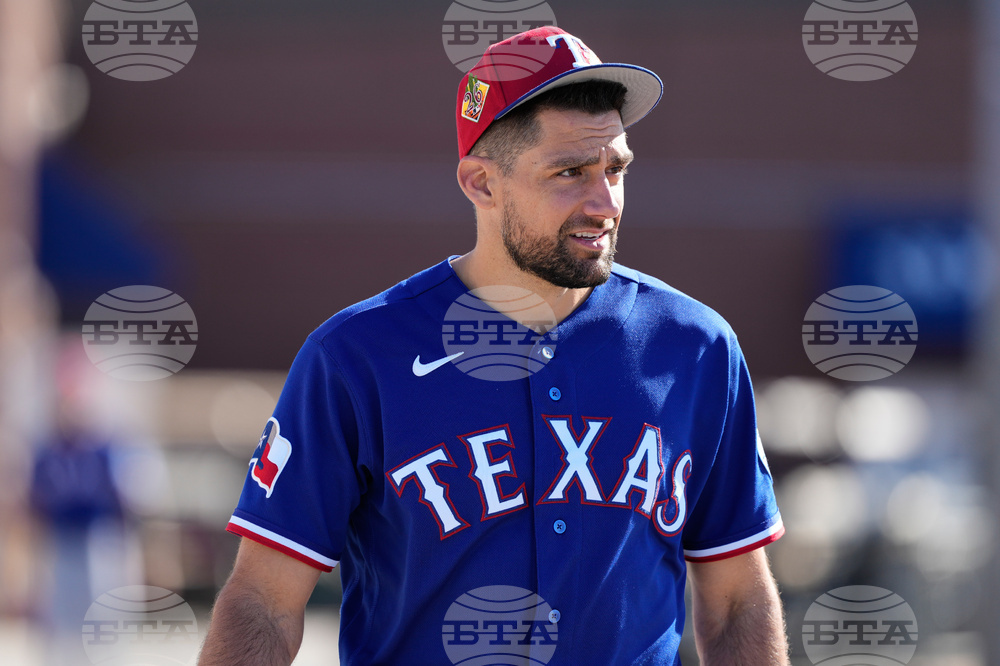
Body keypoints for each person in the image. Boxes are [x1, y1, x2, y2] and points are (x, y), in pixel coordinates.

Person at [200, 26, 789, 665]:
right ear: (482, 183)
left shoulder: (697, 348)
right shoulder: (356, 357)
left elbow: (737, 601)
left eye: (614, 170)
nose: (605, 203)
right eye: (569, 172)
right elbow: (263, 601)